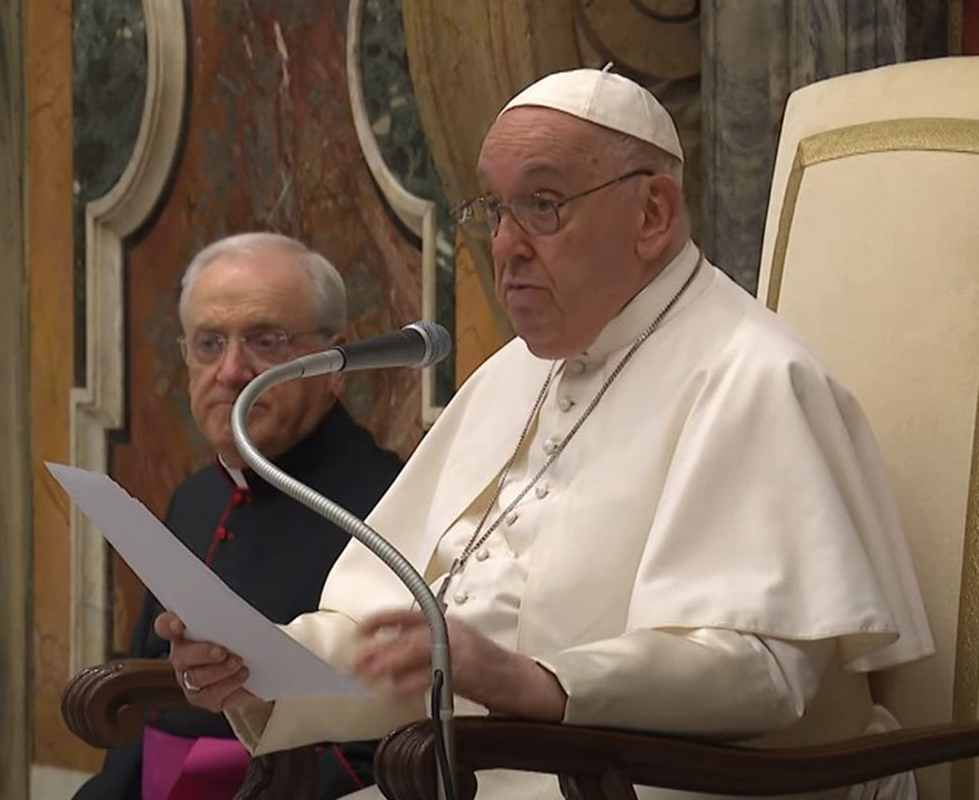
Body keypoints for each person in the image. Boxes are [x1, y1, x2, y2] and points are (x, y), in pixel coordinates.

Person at [156, 68, 935, 800]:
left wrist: (542, 682)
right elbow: (401, 640)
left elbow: (766, 671)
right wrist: (262, 663)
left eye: (544, 205)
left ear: (653, 215)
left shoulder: (755, 375)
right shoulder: (510, 376)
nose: (506, 246)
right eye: (495, 210)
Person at [74, 233, 403, 800]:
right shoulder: (196, 498)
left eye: (265, 340)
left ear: (335, 363)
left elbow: (380, 747)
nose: (230, 371)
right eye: (208, 344)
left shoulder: (391, 505)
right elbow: (149, 698)